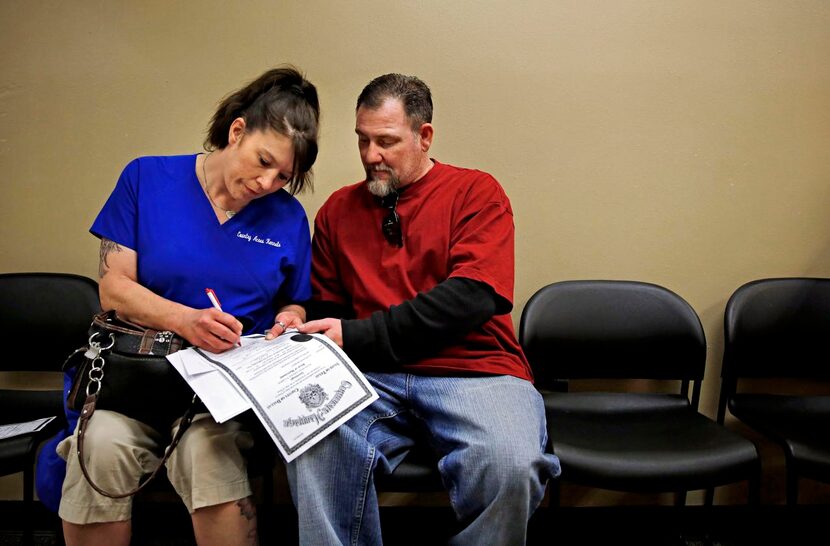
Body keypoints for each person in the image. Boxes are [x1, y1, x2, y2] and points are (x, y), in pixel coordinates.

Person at [289, 73, 560, 545]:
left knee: (511, 463)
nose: (371, 155)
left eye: (387, 142)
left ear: (424, 136)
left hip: (474, 370)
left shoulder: (476, 193)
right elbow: (329, 306)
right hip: (372, 376)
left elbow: (472, 297)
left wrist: (354, 335)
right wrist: (299, 316)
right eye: (363, 140)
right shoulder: (337, 210)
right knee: (307, 437)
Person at [56, 65, 320, 546]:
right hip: (137, 379)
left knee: (205, 452)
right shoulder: (146, 178)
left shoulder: (288, 217)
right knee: (100, 447)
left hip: (222, 399)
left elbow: (295, 302)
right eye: (263, 161)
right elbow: (114, 288)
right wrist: (187, 320)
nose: (267, 182)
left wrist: (290, 319)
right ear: (236, 130)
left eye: (283, 175)